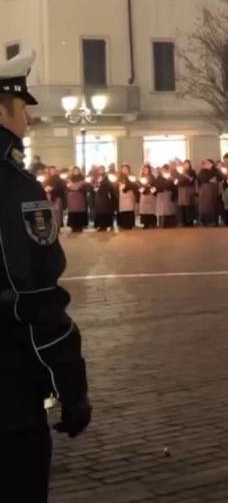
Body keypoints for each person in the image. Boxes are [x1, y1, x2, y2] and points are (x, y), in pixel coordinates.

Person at [0, 50, 91, 501]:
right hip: (9, 391)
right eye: (22, 108)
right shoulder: (15, 186)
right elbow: (34, 294)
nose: (29, 121)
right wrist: (70, 386)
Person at [92, 166, 116, 232]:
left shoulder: (107, 176)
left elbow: (111, 185)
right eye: (100, 169)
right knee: (99, 211)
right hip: (98, 196)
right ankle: (100, 225)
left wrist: (104, 184)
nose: (101, 170)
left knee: (106, 210)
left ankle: (107, 225)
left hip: (106, 195)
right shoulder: (96, 177)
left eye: (102, 169)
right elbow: (93, 186)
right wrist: (95, 186)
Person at [197, 160, 222, 226]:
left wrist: (212, 180)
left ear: (212, 164)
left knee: (213, 206)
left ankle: (214, 221)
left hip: (213, 190)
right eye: (206, 163)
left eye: (209, 163)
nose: (207, 164)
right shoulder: (202, 171)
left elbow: (219, 178)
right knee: (205, 207)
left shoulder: (215, 171)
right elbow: (200, 179)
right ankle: (205, 221)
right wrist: (210, 180)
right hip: (204, 191)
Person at [66, 166, 89, 233]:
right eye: (75, 170)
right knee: (73, 212)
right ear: (73, 171)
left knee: (80, 211)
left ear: (79, 171)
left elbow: (86, 187)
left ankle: (80, 226)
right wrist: (71, 187)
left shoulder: (83, 178)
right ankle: (73, 226)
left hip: (80, 196)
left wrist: (79, 188)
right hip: (72, 197)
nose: (76, 172)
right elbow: (66, 187)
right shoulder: (69, 178)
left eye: (77, 170)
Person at [44, 166, 66, 230]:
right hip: (48, 197)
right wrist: (46, 189)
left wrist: (53, 189)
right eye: (51, 171)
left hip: (56, 197)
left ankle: (57, 226)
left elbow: (62, 189)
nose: (53, 172)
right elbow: (43, 186)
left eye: (54, 171)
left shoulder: (59, 180)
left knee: (56, 213)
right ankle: (50, 226)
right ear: (49, 171)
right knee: (49, 212)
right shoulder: (46, 179)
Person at [176, 160, 197, 227]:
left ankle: (190, 221)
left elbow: (192, 180)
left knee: (189, 205)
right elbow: (177, 181)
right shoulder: (179, 173)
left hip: (189, 189)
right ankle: (183, 221)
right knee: (182, 206)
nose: (186, 165)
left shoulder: (192, 172)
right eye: (184, 164)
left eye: (187, 164)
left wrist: (185, 175)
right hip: (181, 189)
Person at [117, 165, 138, 230]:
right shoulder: (120, 178)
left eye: (126, 169)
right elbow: (120, 186)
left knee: (130, 210)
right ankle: (124, 224)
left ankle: (130, 224)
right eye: (123, 169)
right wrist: (126, 187)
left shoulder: (131, 177)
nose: (125, 170)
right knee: (124, 210)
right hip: (123, 195)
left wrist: (131, 186)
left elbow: (135, 185)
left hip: (130, 195)